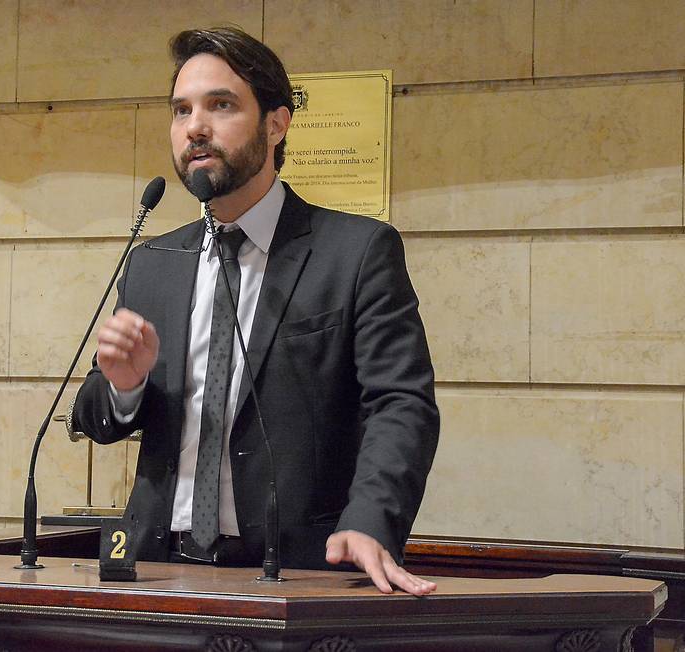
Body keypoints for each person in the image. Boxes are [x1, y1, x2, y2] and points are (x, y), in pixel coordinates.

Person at [71, 26, 440, 595]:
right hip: (156, 569)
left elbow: (400, 403)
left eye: (221, 105)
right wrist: (124, 387)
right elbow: (96, 419)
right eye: (181, 109)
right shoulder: (153, 261)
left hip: (296, 569)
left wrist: (371, 520)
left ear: (276, 123)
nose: (195, 126)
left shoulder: (355, 252)